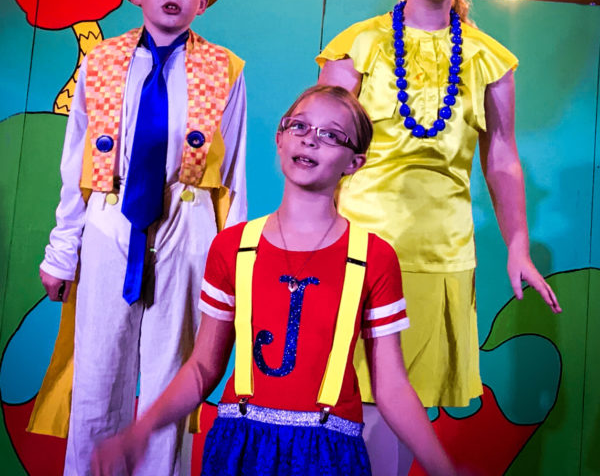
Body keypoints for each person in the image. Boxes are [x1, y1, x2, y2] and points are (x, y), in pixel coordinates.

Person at [90, 84, 458, 476]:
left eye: (331, 135)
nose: (310, 140)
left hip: (330, 451)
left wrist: (445, 470)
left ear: (354, 162)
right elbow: (202, 369)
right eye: (299, 126)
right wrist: (139, 433)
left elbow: (392, 387)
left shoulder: (374, 257)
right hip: (239, 444)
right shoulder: (231, 247)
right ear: (280, 140)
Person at [317, 0, 561, 412]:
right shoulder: (357, 44)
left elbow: (501, 159)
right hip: (359, 243)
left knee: (408, 405)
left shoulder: (488, 58)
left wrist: (518, 246)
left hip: (442, 250)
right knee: (346, 403)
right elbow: (321, 145)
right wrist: (307, 232)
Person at [33, 0, 247, 476]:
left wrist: (232, 263)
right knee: (97, 373)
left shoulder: (225, 68)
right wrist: (62, 250)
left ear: (203, 0)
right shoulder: (100, 62)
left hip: (187, 217)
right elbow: (76, 162)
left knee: (169, 376)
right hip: (111, 216)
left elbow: (236, 173)